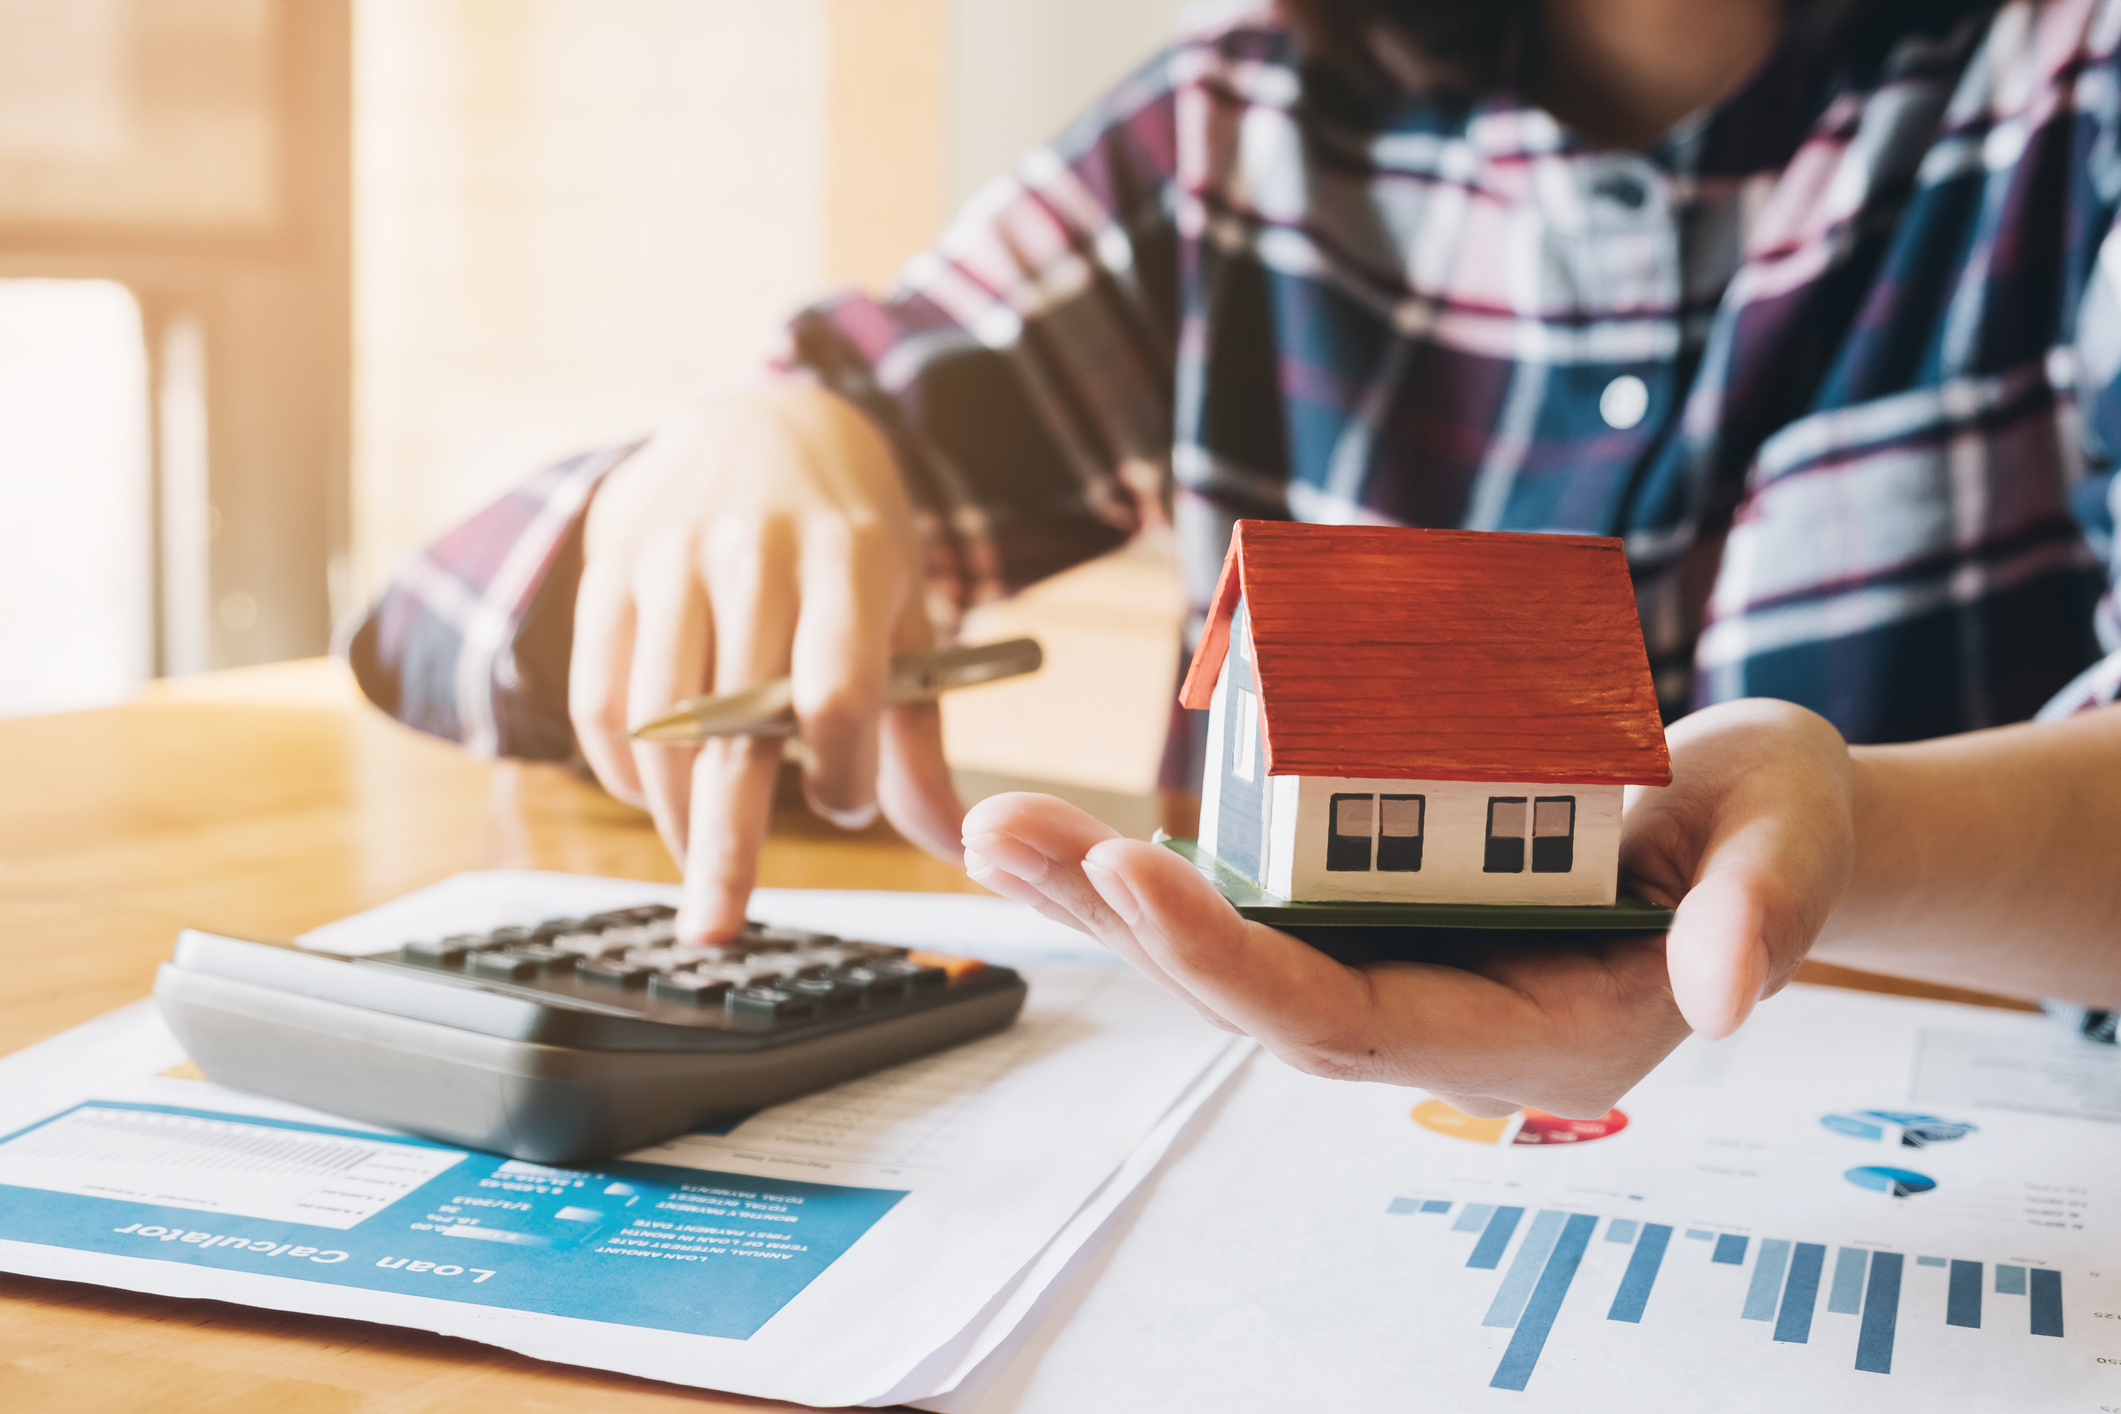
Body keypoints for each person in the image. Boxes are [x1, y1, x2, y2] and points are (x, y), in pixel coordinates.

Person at [349, 0, 2121, 1121]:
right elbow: (435, 612)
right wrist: (752, 441)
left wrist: (1863, 831)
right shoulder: (1234, 135)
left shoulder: (2072, 91)